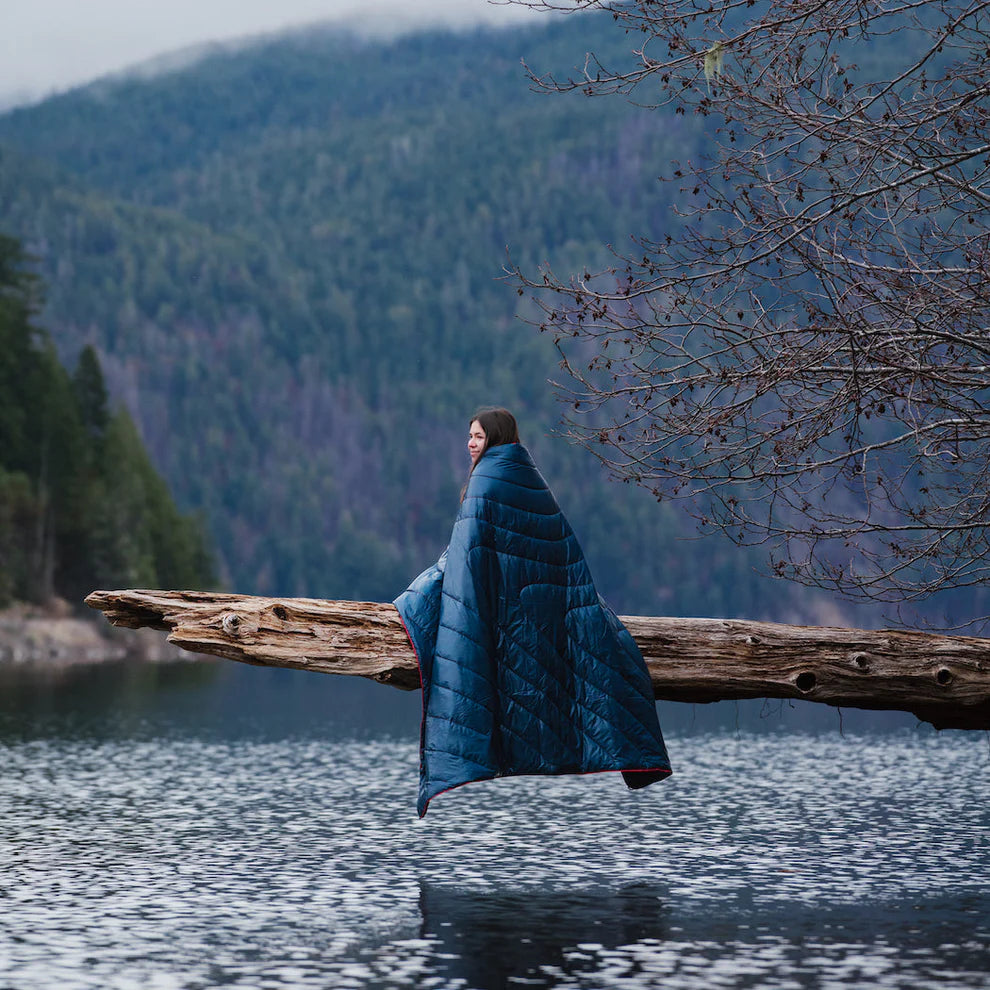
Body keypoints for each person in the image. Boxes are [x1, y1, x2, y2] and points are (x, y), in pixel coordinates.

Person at [395, 407, 671, 817]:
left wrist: (424, 591)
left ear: (497, 438)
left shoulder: (487, 480)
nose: (471, 444)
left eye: (478, 437)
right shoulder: (527, 474)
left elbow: (467, 561)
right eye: (469, 436)